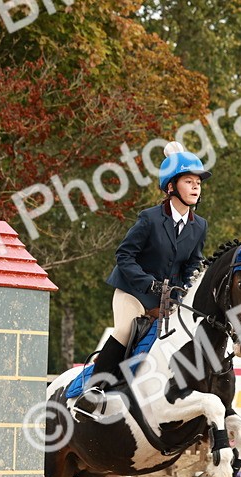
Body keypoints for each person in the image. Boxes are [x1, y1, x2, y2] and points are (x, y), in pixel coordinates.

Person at [75, 141, 210, 416]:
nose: (196, 187)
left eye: (198, 182)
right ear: (171, 187)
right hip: (133, 292)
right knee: (125, 331)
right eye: (189, 181)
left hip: (168, 299)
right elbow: (124, 256)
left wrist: (187, 287)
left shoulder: (200, 225)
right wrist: (147, 283)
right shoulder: (149, 219)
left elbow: (193, 262)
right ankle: (94, 391)